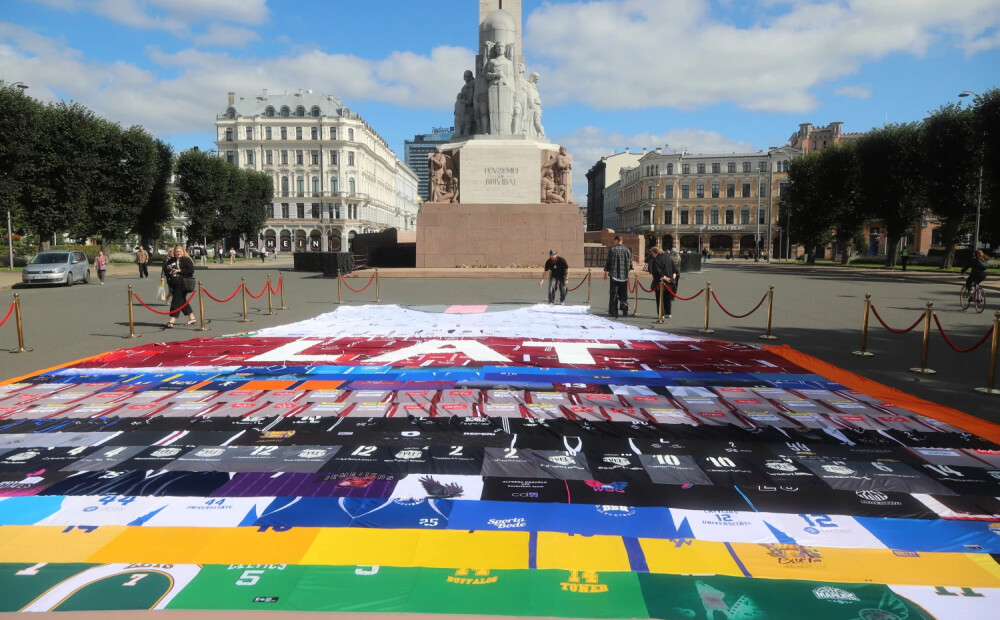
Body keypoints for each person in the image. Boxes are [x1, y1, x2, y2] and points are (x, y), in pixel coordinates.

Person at [162, 245, 196, 328]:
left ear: (183, 251)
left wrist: (179, 270)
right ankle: (192, 318)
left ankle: (172, 320)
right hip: (174, 283)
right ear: (174, 252)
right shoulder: (171, 260)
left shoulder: (186, 260)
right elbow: (166, 270)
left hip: (183, 283)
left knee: (176, 301)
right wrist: (168, 267)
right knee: (182, 300)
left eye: (180, 251)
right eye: (177, 251)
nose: (178, 253)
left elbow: (191, 271)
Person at [603, 235, 632, 318]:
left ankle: (614, 312)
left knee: (614, 294)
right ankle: (624, 309)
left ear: (616, 240)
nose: (614, 242)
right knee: (624, 294)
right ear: (622, 241)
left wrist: (605, 272)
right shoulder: (627, 251)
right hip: (624, 277)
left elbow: (608, 263)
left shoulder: (612, 250)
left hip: (614, 276)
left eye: (614, 241)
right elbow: (630, 265)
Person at [649, 246, 679, 319]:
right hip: (670, 283)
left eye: (653, 254)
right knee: (668, 298)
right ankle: (668, 313)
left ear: (656, 253)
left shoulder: (656, 261)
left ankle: (661, 314)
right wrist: (672, 279)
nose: (652, 256)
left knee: (659, 299)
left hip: (660, 282)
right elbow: (675, 270)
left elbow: (658, 273)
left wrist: (665, 278)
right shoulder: (669, 259)